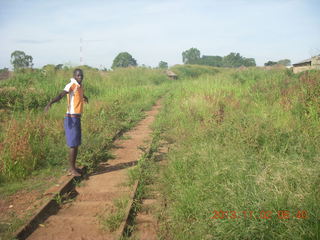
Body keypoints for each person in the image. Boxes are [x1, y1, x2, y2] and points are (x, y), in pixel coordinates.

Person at [45, 68, 88, 176]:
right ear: (74, 76)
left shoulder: (79, 86)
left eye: (81, 76)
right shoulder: (71, 85)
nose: (80, 77)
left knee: (76, 144)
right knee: (73, 145)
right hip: (71, 118)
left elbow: (80, 95)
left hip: (77, 118)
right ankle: (72, 169)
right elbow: (61, 95)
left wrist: (85, 97)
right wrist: (50, 103)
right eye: (78, 76)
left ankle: (74, 167)